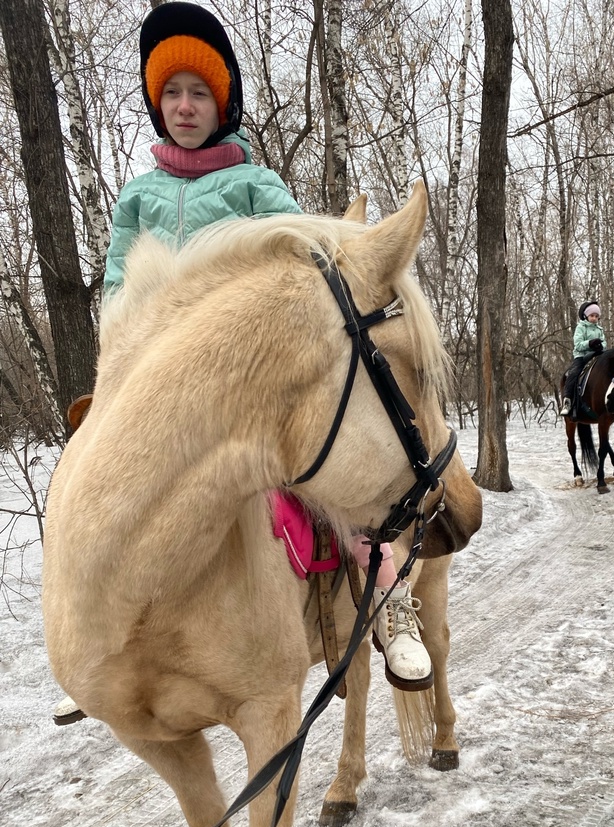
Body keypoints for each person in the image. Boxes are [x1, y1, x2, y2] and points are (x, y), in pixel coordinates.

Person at [52, 2, 430, 725]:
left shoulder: (254, 184)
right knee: (82, 479)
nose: (184, 106)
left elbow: (304, 262)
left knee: (329, 475)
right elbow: (116, 284)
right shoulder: (137, 196)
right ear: (156, 104)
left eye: (199, 92)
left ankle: (389, 599)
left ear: (221, 103)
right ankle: (92, 633)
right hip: (149, 380)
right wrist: (119, 360)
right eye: (171, 93)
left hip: (242, 384)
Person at [560, 301, 607, 417]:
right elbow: (578, 345)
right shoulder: (580, 327)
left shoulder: (600, 329)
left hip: (597, 355)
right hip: (582, 356)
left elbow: (604, 342)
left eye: (596, 316)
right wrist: (589, 343)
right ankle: (567, 401)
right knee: (573, 373)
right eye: (592, 315)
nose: (594, 318)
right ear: (586, 316)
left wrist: (601, 346)